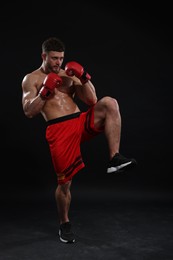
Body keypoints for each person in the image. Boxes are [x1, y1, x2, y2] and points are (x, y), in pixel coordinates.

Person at [21, 37, 137, 244]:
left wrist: (83, 77)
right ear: (44, 56)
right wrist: (44, 92)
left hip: (79, 121)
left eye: (61, 58)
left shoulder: (68, 74)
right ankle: (64, 223)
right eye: (54, 58)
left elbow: (92, 101)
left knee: (109, 103)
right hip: (58, 129)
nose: (58, 62)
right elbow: (29, 111)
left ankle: (114, 158)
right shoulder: (31, 79)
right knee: (65, 184)